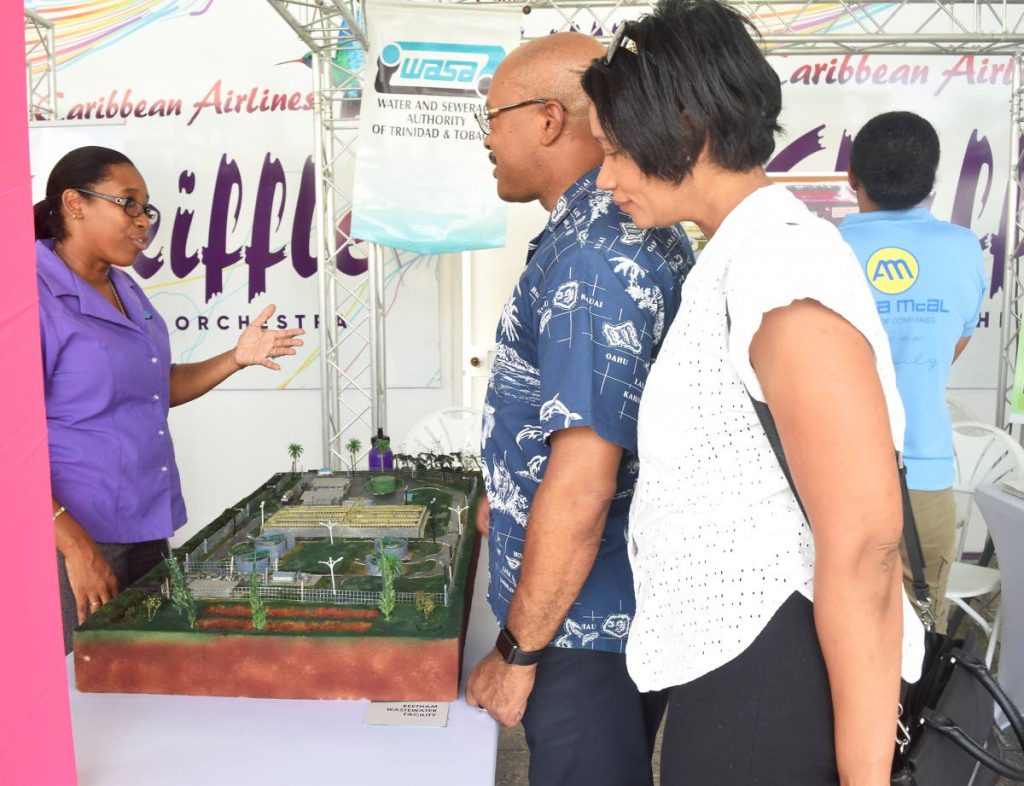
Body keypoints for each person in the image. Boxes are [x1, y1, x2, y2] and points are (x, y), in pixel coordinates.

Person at [581, 2, 924, 784]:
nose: (605, 179)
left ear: (685, 127)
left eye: (614, 151)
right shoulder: (737, 261)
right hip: (746, 672)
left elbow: (867, 547)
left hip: (785, 681)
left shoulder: (780, 271)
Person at [463, 32, 693, 786]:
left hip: (580, 626)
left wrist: (516, 653)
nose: (487, 138)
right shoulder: (603, 232)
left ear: (550, 120)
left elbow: (587, 480)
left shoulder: (593, 257)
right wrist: (510, 487)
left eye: (492, 115)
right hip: (601, 603)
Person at [34, 145, 304, 653]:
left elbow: (154, 388)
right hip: (74, 540)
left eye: (148, 209)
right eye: (128, 203)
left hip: (144, 522)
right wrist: (74, 547)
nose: (144, 222)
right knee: (81, 690)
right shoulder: (29, 296)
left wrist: (236, 357)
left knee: (143, 673)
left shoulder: (124, 286)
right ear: (74, 203)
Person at [840, 111, 987, 632]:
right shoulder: (964, 249)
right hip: (923, 471)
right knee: (920, 627)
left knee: (839, 628)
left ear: (851, 176)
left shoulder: (820, 251)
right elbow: (953, 346)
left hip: (832, 478)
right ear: (932, 181)